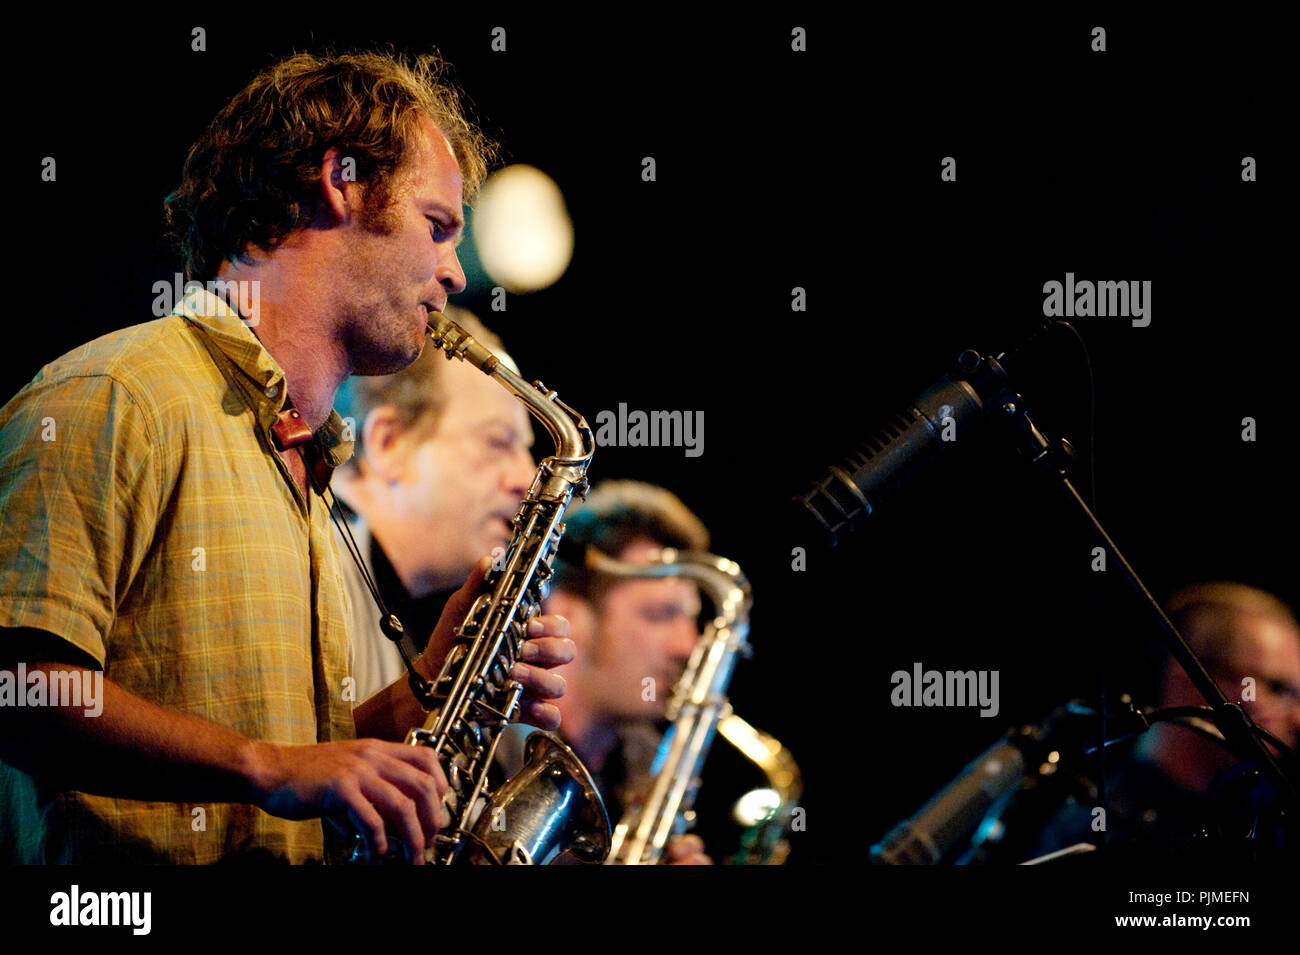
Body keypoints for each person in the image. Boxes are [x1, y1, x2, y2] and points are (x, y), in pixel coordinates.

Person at [0, 50, 573, 864]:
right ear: (341, 179)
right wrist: (267, 766)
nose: (452, 271)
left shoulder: (300, 459)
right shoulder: (118, 394)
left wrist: (428, 686)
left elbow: (298, 771)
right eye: (437, 227)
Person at [330, 307, 535, 705]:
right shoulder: (316, 575)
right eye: (497, 442)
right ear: (389, 444)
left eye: (525, 450)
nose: (526, 481)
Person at [1027, 581, 1300, 862]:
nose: (1298, 719)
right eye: (1278, 689)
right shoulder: (1102, 831)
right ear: (1189, 680)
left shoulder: (1246, 823)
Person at [542, 480, 718, 864]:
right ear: (569, 611)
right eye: (659, 615)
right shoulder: (492, 751)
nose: (687, 647)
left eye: (689, 618)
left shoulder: (645, 766)